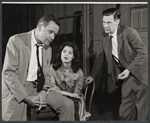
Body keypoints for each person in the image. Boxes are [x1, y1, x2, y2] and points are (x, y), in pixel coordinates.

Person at [2, 14, 75, 121]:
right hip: (17, 87)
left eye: (55, 34)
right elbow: (9, 73)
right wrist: (26, 97)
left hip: (37, 88)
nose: (53, 37)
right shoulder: (16, 41)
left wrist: (44, 91)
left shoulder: (48, 49)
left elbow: (47, 75)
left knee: (68, 105)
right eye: (50, 32)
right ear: (40, 27)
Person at [85, 8, 148, 121]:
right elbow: (100, 58)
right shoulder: (104, 37)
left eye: (109, 22)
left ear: (117, 21)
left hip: (143, 76)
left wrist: (128, 69)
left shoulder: (129, 32)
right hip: (128, 77)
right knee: (124, 113)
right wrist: (92, 75)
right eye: (104, 22)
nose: (105, 25)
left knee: (143, 113)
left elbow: (143, 53)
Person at [50, 42, 86, 121]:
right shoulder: (53, 68)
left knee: (73, 104)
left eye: (70, 53)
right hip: (57, 95)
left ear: (73, 56)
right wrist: (65, 93)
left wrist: (71, 94)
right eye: (64, 51)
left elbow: (77, 93)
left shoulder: (79, 72)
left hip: (74, 99)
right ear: (60, 53)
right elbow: (52, 86)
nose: (66, 54)